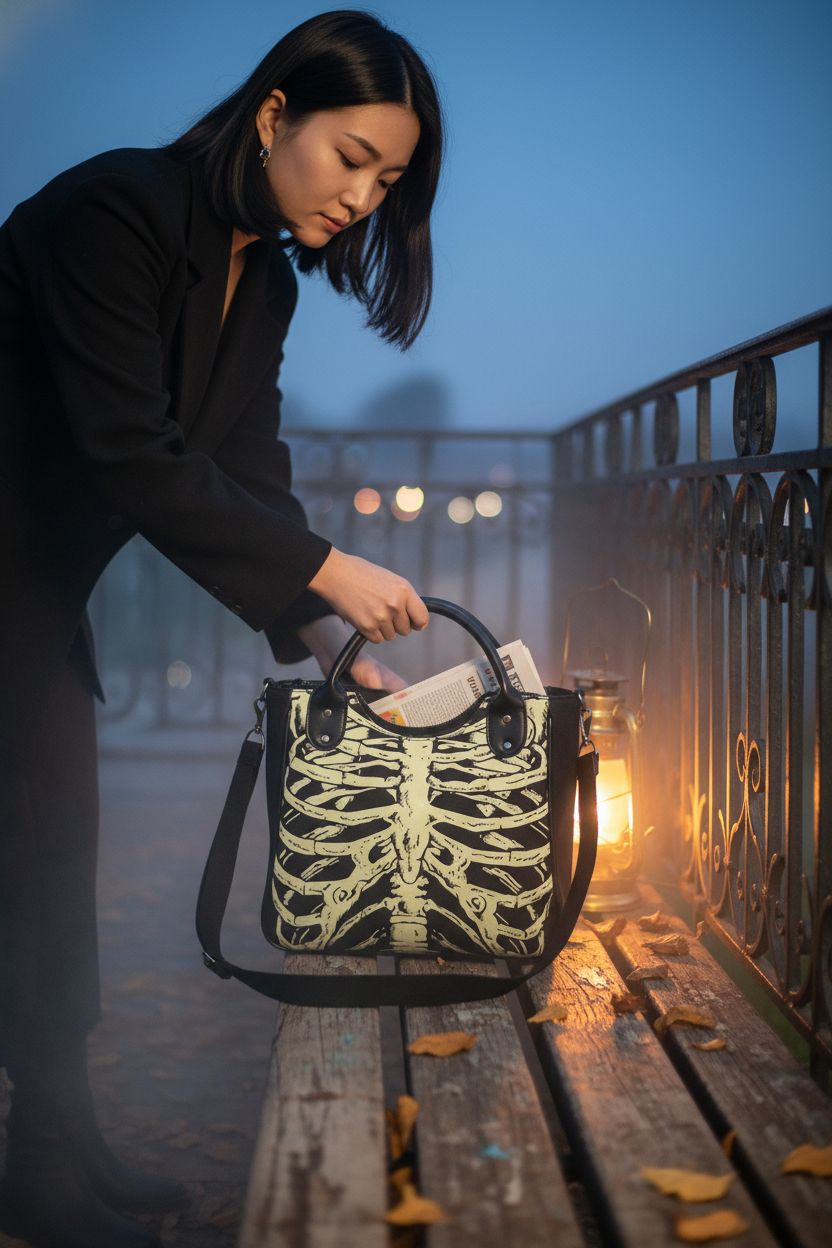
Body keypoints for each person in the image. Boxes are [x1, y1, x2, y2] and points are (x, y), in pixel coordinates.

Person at [0, 10, 442, 1247]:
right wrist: (331, 569)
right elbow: (134, 454)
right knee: (23, 859)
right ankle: (46, 1159)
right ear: (273, 115)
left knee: (50, 862)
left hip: (34, 598)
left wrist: (332, 641)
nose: (361, 196)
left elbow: (245, 470)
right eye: (351, 157)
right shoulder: (118, 210)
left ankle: (52, 1146)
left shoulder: (266, 282)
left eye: (387, 181)